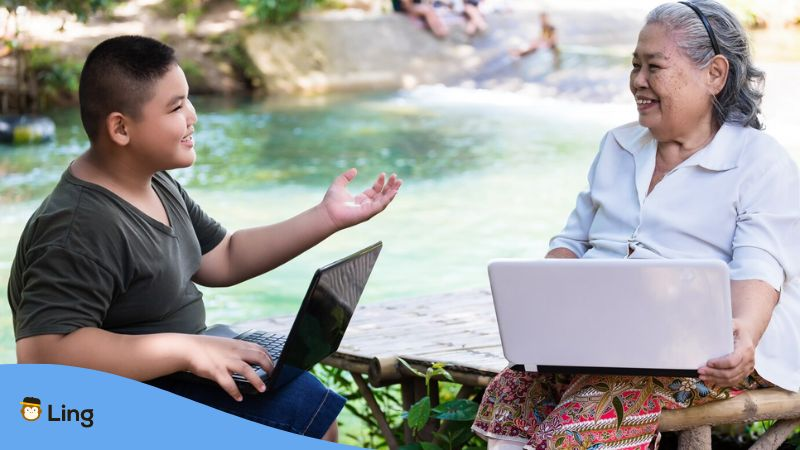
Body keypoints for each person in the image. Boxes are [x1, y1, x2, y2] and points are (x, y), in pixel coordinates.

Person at [7, 35, 402, 442]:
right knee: (303, 415)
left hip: (179, 367)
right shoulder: (78, 226)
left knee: (310, 404)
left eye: (188, 100)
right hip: (114, 404)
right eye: (176, 107)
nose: (192, 116)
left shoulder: (154, 181)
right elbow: (42, 358)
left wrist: (326, 218)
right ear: (121, 128)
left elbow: (223, 256)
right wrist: (187, 350)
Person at [473, 1, 800, 449]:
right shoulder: (618, 145)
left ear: (715, 75)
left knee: (580, 423)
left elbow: (760, 267)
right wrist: (541, 309)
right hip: (599, 338)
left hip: (702, 354)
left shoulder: (759, 161)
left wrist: (744, 332)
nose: (637, 82)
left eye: (654, 67)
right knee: (509, 395)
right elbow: (572, 240)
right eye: (634, 66)